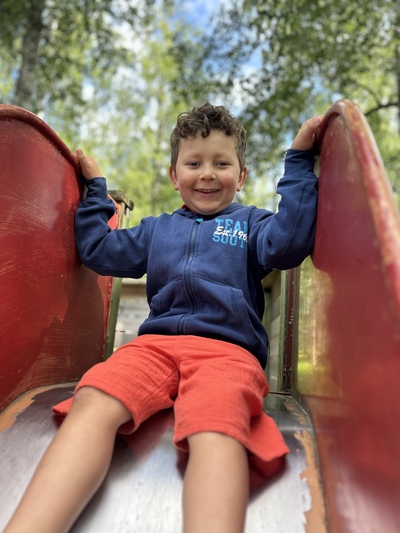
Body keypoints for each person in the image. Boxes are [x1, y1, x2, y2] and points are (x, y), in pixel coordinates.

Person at [4, 103, 322, 533]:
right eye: (194, 163)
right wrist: (95, 191)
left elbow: (289, 243)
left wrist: (299, 162)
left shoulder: (251, 225)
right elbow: (100, 251)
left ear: (242, 176)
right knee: (94, 397)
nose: (207, 174)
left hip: (227, 352)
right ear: (174, 176)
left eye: (221, 163)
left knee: (217, 422)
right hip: (154, 348)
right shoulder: (158, 230)